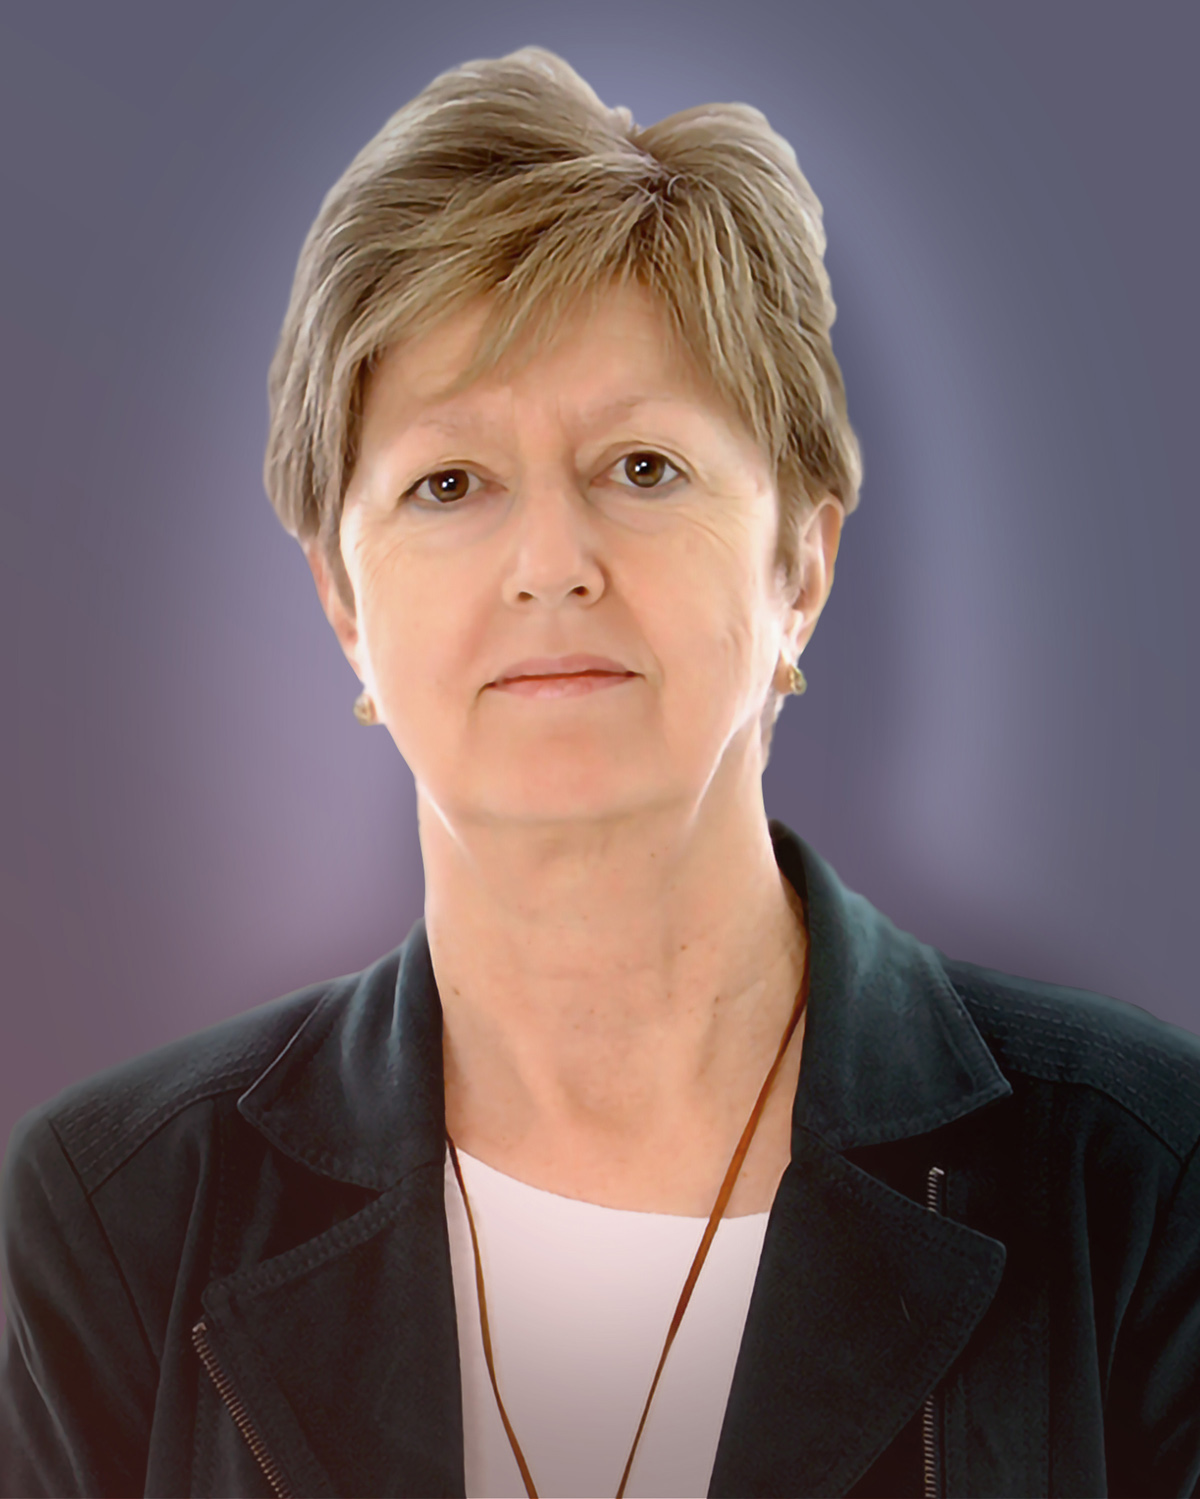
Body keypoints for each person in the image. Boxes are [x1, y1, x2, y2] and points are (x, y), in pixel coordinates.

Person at [1, 43, 1198, 1499]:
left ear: (803, 564)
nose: (551, 567)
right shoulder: (113, 1220)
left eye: (642, 468)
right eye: (449, 484)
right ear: (340, 604)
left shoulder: (1139, 1176)